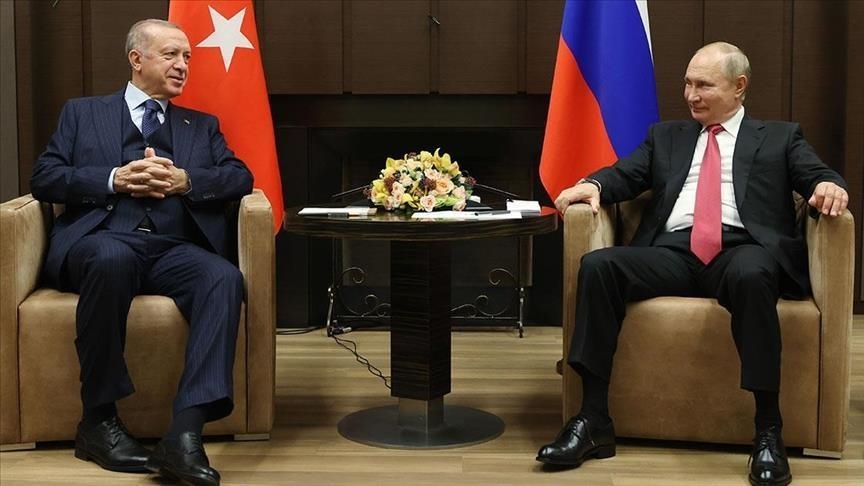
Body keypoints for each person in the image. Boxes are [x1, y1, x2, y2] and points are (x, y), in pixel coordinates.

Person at [535, 42, 848, 486]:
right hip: (674, 252)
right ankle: (592, 420)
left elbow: (817, 174)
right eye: (687, 84)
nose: (691, 95)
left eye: (704, 85)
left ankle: (768, 430)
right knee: (599, 266)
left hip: (741, 250)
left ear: (739, 86)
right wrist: (593, 184)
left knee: (753, 272)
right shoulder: (667, 137)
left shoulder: (780, 137)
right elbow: (625, 174)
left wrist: (830, 186)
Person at [30, 19, 253, 486]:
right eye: (171, 54)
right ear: (137, 59)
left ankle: (184, 435)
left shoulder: (201, 125)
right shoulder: (82, 113)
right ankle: (97, 421)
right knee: (112, 258)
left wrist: (186, 181)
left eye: (187, 57)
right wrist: (114, 179)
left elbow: (239, 177)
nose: (183, 65)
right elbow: (45, 177)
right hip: (102, 241)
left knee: (223, 277)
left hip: (174, 249)